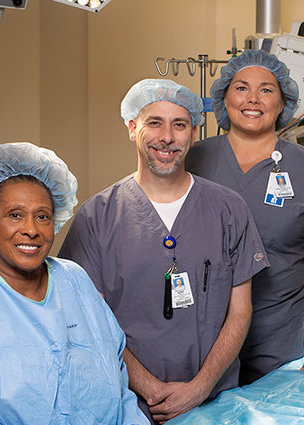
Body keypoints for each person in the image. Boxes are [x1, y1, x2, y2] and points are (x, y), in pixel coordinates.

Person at [58, 79, 268, 423]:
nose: (167, 137)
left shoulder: (228, 209)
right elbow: (90, 323)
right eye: (154, 122)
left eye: (179, 124)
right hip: (128, 404)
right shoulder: (97, 217)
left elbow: (240, 311)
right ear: (131, 128)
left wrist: (200, 387)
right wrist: (150, 389)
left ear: (195, 132)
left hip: (215, 403)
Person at [0, 142, 147, 425]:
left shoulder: (76, 282)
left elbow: (119, 386)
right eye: (15, 215)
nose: (31, 230)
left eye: (42, 216)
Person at [185, 49, 304, 384]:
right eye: (241, 87)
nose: (253, 99)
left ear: (283, 102)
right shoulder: (194, 160)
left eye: (266, 90)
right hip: (202, 331)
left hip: (279, 333)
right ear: (223, 97)